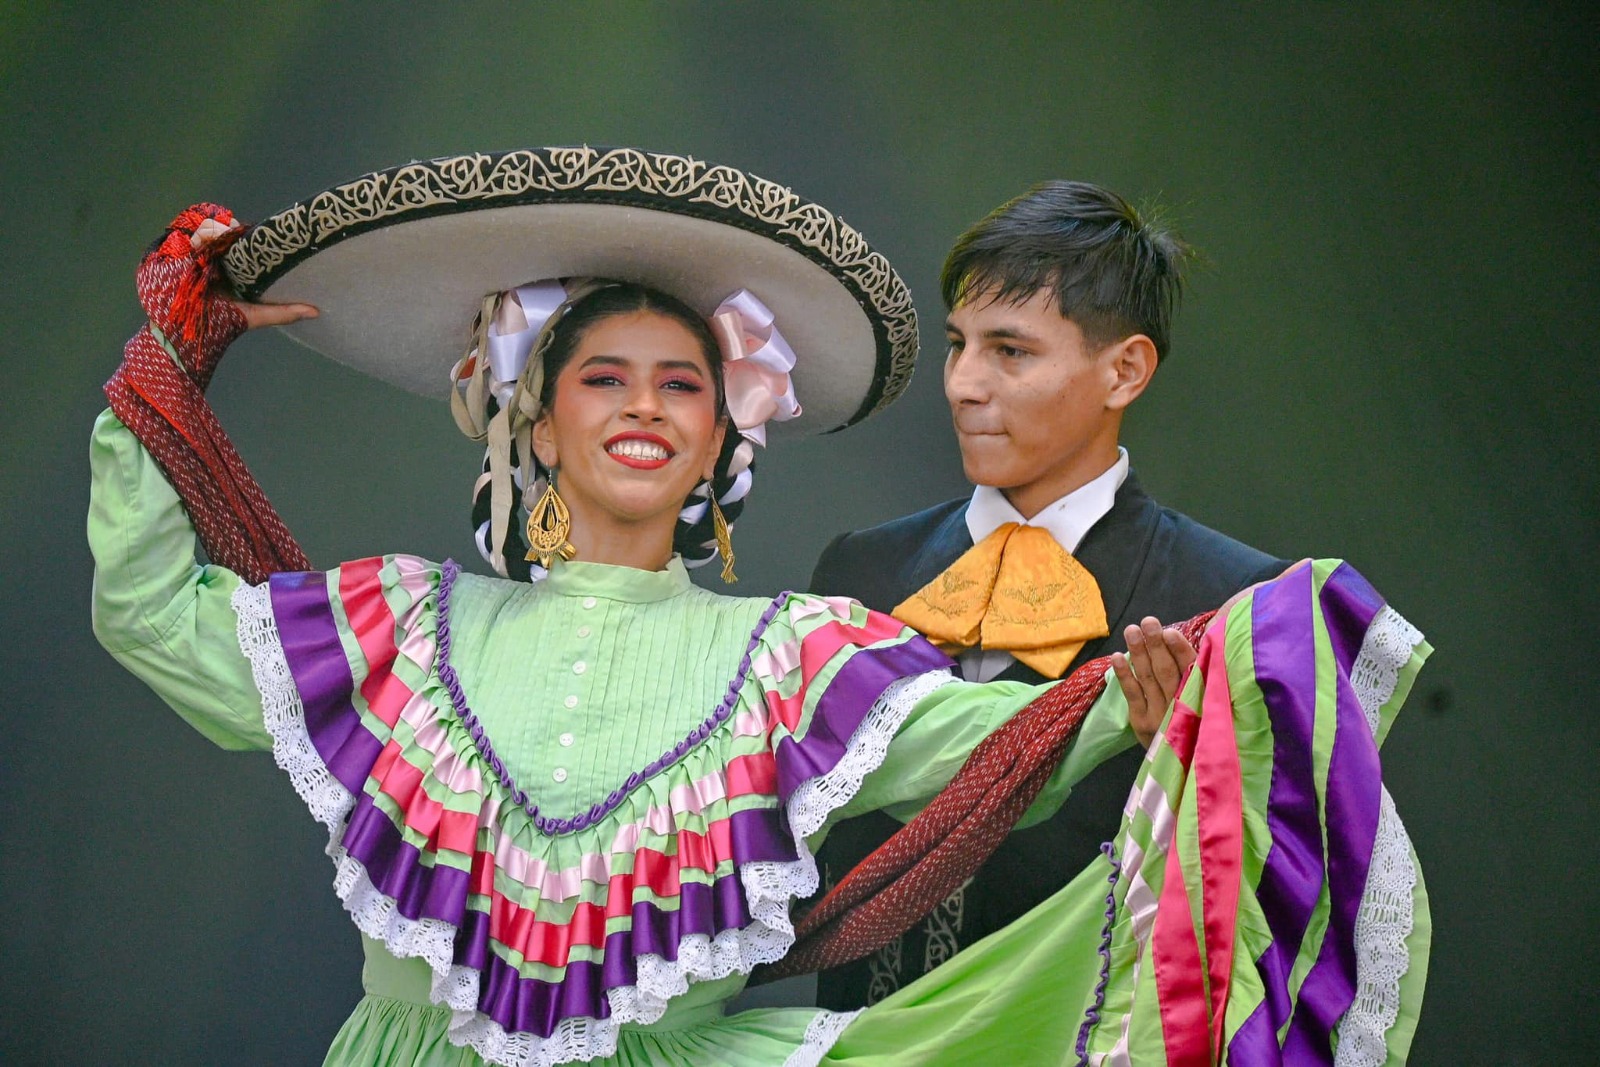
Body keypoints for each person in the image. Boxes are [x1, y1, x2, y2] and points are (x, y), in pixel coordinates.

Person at [92, 150, 1429, 1067]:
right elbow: (151, 606)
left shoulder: (790, 653)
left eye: (681, 383)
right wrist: (174, 360)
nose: (641, 408)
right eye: (601, 377)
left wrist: (1120, 711)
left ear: (723, 431)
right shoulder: (397, 631)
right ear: (537, 423)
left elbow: (994, 747)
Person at [810, 181, 1291, 1010]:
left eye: (1010, 351)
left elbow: (1266, 910)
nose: (962, 383)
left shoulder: (1236, 600)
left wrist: (1186, 768)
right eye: (959, 344)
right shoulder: (862, 572)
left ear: (1125, 372)